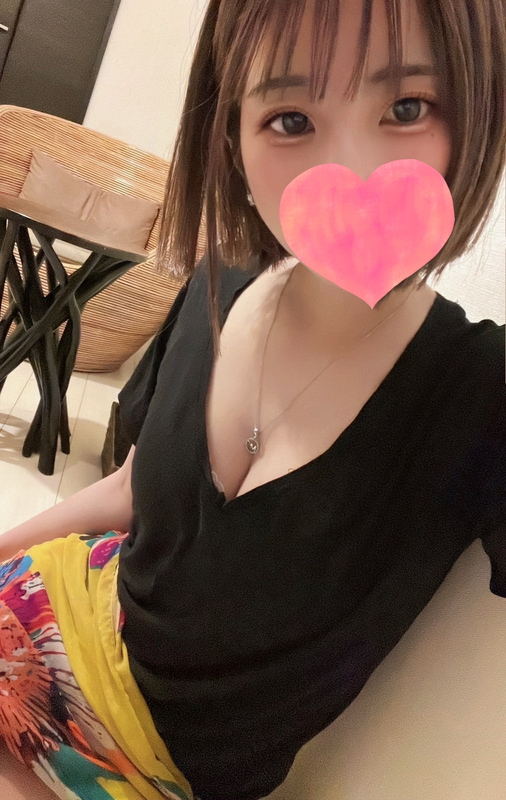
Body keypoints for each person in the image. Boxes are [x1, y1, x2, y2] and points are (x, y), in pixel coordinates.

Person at [0, 0, 505, 798]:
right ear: (231, 137)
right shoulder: (221, 280)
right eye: (291, 119)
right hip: (52, 610)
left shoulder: (483, 393)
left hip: (147, 768)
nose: (351, 169)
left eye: (407, 107)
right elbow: (132, 488)